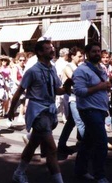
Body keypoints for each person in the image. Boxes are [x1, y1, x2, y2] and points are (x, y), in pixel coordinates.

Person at [8, 39, 68, 183]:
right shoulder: (32, 71)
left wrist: (68, 86)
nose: (52, 50)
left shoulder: (52, 68)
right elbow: (19, 91)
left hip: (50, 111)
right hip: (38, 112)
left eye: (51, 48)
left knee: (33, 143)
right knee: (52, 149)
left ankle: (19, 172)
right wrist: (11, 110)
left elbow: (57, 90)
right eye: (48, 48)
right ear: (40, 52)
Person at [72, 42, 112, 183]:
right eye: (94, 51)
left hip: (100, 110)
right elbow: (79, 91)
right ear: (87, 54)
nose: (97, 54)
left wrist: (107, 85)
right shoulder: (81, 71)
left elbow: (102, 87)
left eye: (98, 51)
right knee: (101, 143)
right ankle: (99, 175)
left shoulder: (100, 68)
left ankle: (80, 171)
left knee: (87, 143)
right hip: (89, 110)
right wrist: (100, 86)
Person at [57, 47, 85, 157]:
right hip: (72, 98)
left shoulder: (80, 66)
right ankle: (89, 145)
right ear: (72, 56)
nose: (81, 58)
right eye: (79, 56)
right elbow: (76, 80)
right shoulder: (68, 67)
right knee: (80, 123)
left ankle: (61, 145)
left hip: (79, 98)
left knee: (70, 123)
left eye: (82, 56)